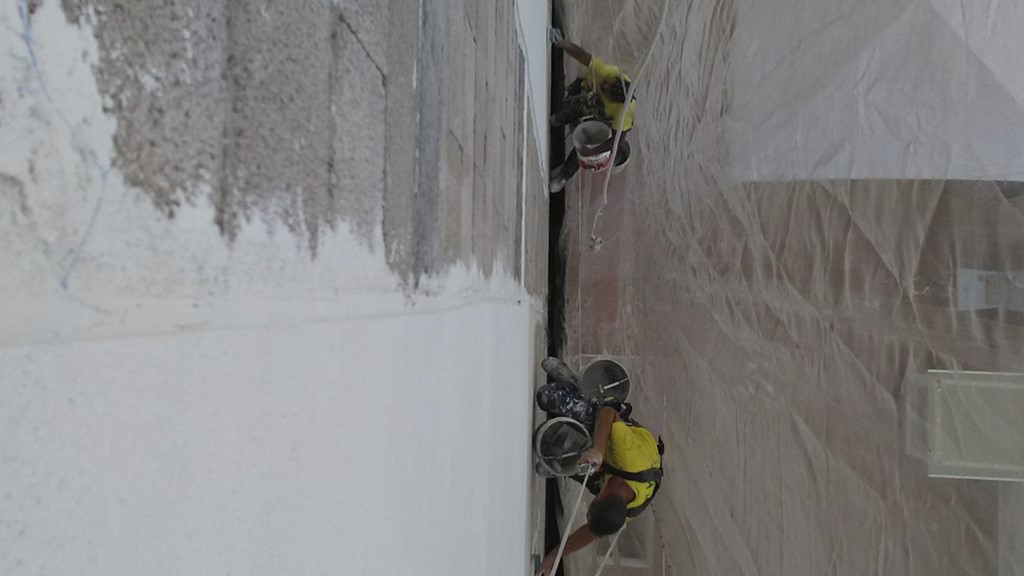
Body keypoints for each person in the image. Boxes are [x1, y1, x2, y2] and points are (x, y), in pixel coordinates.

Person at [534, 360, 663, 576]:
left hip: (608, 471)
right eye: (592, 504)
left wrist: (553, 557)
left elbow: (591, 531)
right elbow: (608, 412)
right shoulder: (629, 456)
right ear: (603, 496)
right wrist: (598, 451)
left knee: (554, 450)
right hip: (611, 435)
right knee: (547, 396)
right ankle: (576, 385)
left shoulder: (623, 512)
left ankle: (567, 462)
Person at [549, 39, 637, 193]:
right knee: (566, 113)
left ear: (616, 103)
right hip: (589, 95)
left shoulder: (623, 113)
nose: (605, 86)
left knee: (589, 144)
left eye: (607, 91)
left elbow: (617, 140)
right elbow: (581, 55)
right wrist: (562, 44)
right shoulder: (605, 73)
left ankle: (564, 175)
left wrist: (592, 151)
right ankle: (559, 119)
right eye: (607, 83)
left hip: (604, 118)